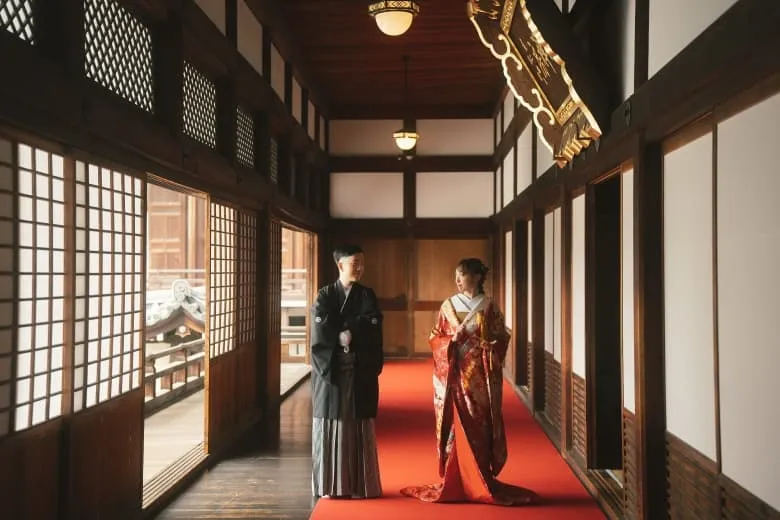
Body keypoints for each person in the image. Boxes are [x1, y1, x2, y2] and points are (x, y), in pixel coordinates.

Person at [401, 258, 538, 506]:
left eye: (461, 275)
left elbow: (501, 336)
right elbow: (436, 336)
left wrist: (491, 345)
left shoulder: (488, 306)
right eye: (457, 276)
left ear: (475, 277)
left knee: (479, 422)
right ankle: (456, 478)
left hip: (480, 376)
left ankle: (480, 477)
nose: (457, 281)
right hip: (454, 373)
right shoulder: (448, 306)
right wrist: (449, 342)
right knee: (456, 422)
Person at [310, 244, 384, 499]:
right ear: (340, 265)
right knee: (333, 423)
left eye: (362, 263)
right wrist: (339, 335)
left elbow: (373, 322)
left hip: (359, 367)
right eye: (355, 263)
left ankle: (361, 484)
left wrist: (349, 329)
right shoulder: (324, 295)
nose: (360, 268)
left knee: (359, 424)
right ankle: (331, 485)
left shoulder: (366, 295)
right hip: (332, 372)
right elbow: (320, 327)